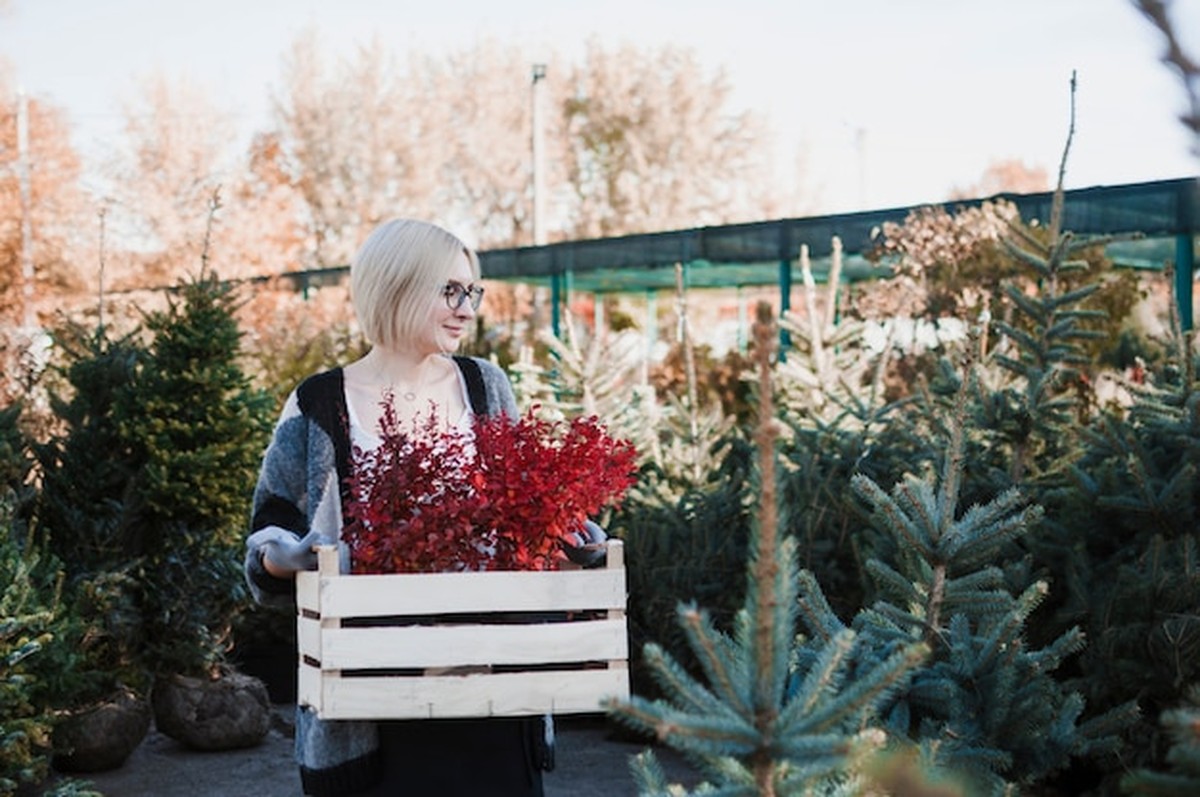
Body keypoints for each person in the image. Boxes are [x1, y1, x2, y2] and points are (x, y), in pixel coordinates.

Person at [244, 219, 558, 796]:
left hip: (489, 683)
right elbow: (270, 525)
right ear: (396, 286)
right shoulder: (318, 403)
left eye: (472, 293)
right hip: (373, 702)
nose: (467, 309)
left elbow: (522, 508)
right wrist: (285, 556)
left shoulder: (485, 386)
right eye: (449, 291)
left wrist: (563, 528)